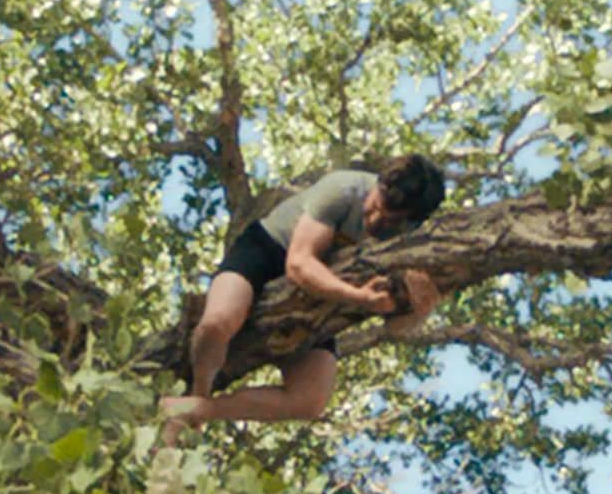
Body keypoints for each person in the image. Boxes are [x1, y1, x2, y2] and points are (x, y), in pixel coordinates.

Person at [160, 154, 445, 437]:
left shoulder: (411, 239)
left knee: (310, 400)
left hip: (326, 296)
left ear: (410, 221)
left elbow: (395, 327)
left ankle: (196, 410)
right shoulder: (343, 189)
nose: (374, 220)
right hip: (267, 253)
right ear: (378, 184)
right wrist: (358, 297)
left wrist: (420, 310)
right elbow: (298, 264)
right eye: (375, 207)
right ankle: (199, 390)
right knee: (218, 321)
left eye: (389, 222)